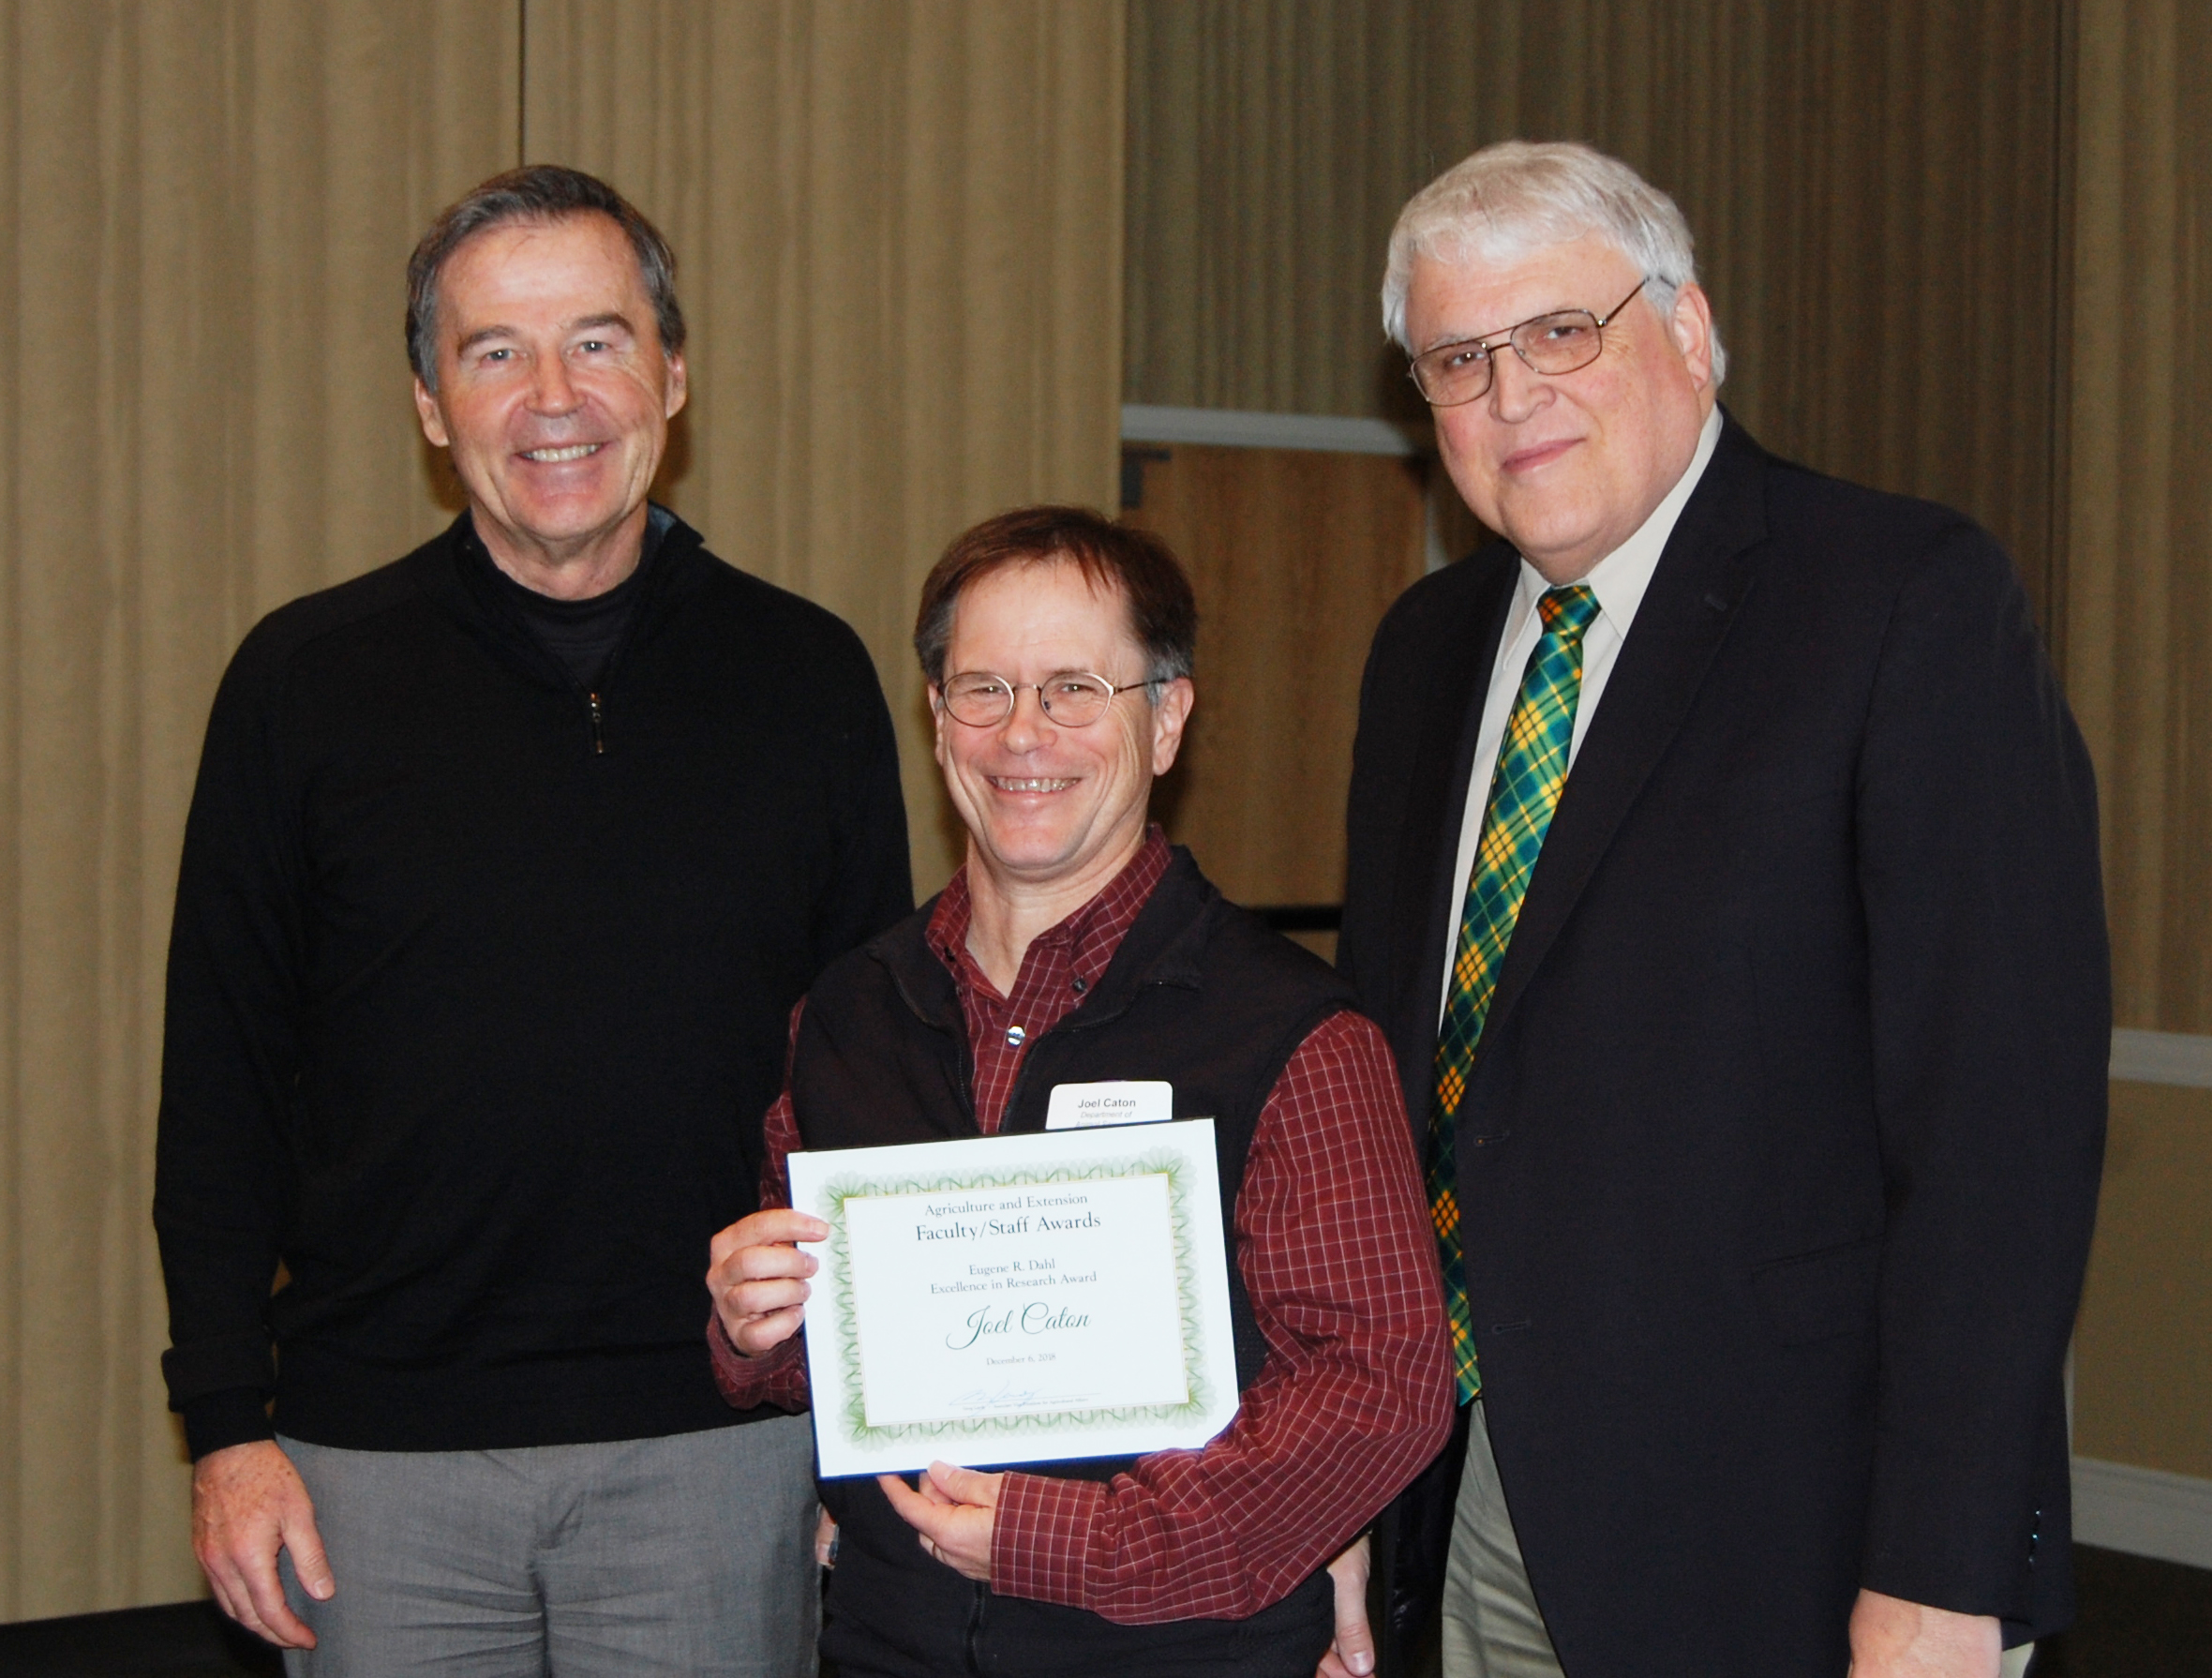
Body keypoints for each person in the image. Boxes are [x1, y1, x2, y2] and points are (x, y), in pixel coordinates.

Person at [1336, 142, 2108, 1678]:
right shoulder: (1424, 651)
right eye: (1458, 360)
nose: (1513, 395)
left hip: (1800, 1529)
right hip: (1479, 1492)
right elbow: (1389, 1095)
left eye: (1563, 331)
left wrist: (1943, 1572)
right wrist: (1342, 1489)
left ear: (1689, 330)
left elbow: (1997, 1133)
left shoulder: (1900, 597)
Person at [154, 164, 912, 1676]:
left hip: (717, 1445)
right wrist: (226, 1430)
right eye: (494, 351)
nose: (553, 397)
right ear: (432, 404)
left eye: (600, 339)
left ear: (673, 375)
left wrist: (862, 1425)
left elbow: (868, 1083)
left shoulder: (808, 678)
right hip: (374, 1464)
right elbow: (221, 1084)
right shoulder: (303, 686)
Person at [705, 505, 1454, 1678]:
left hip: (1184, 1651)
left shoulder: (1294, 1031)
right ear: (936, 716)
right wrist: (753, 1324)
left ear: (1164, 720)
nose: (1022, 735)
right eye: (983, 688)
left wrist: (1066, 1541)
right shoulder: (845, 1014)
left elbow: (1380, 1386)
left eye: (1072, 689)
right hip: (890, 1644)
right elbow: (827, 1357)